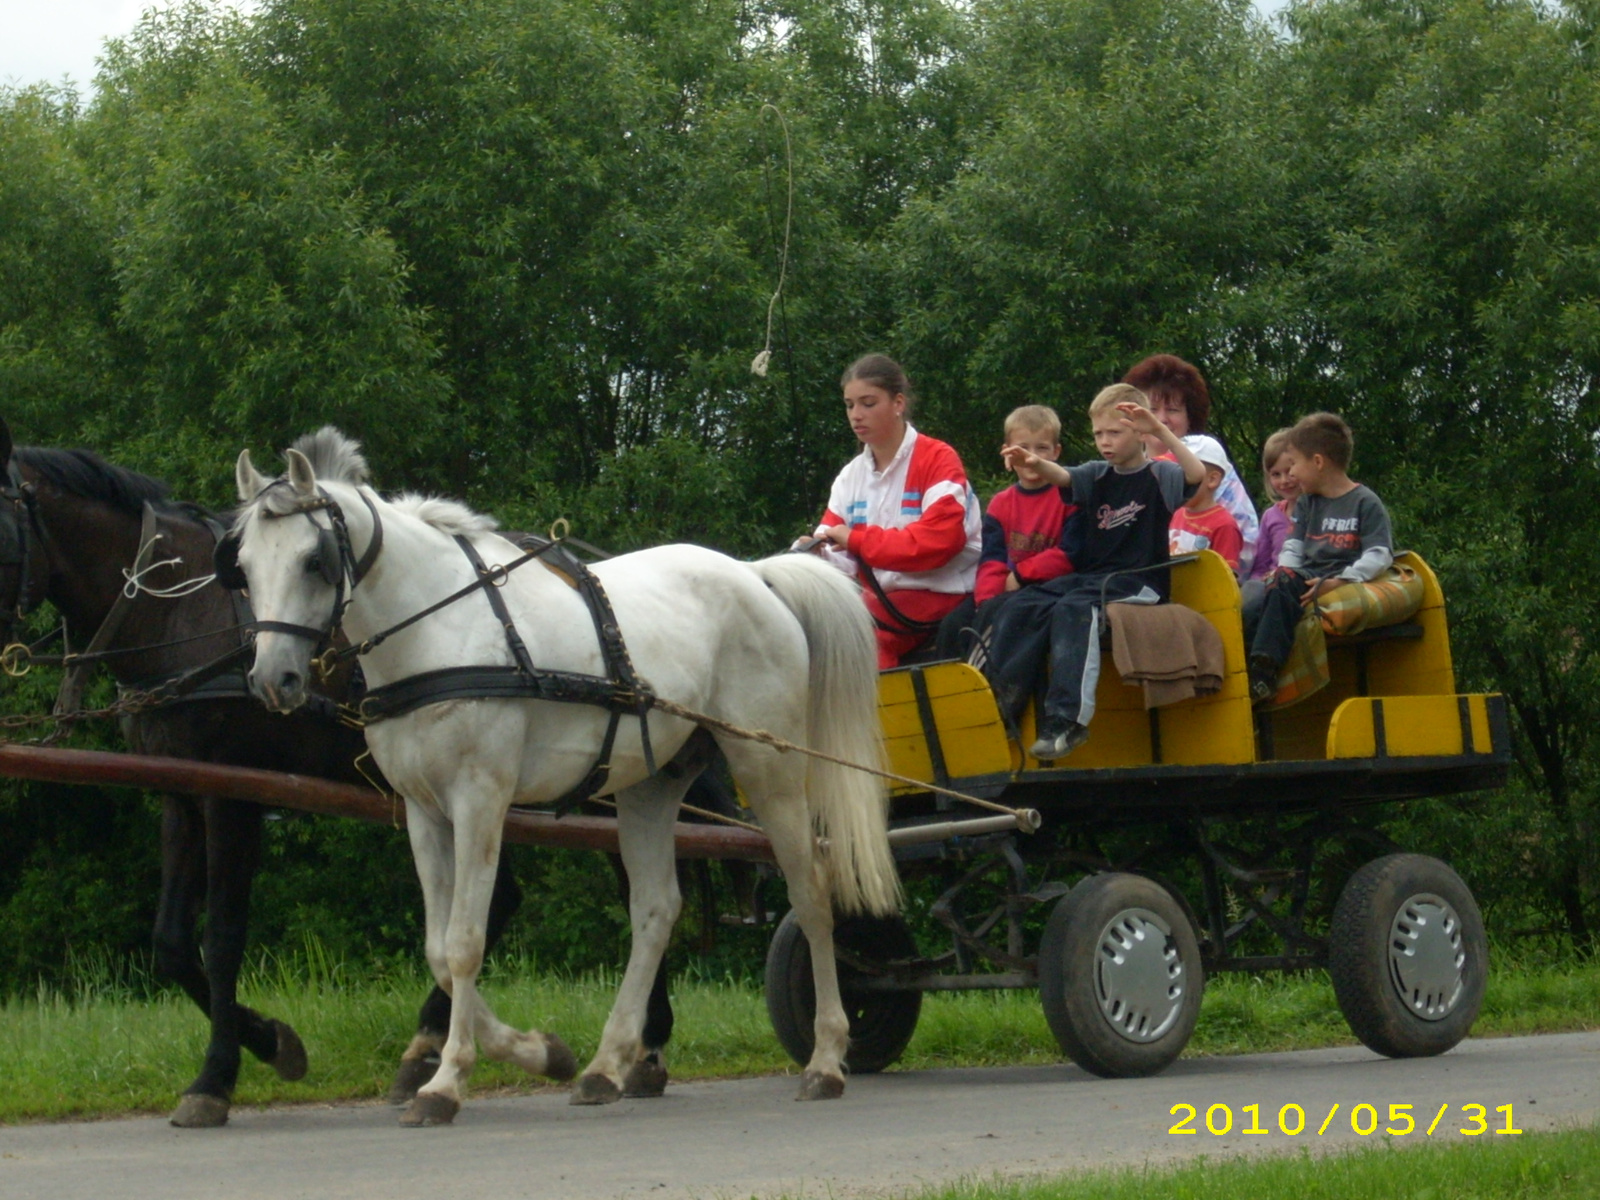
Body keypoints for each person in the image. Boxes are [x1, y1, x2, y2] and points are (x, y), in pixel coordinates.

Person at [983, 384, 1202, 761]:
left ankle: (1067, 721)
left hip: (1140, 580)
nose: (1105, 442)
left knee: (1076, 608)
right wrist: (1035, 463)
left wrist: (1160, 430)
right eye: (1098, 434)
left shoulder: (1160, 475)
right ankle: (1003, 708)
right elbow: (1062, 476)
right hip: (1094, 577)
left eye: (1114, 433)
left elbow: (1195, 474)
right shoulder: (1097, 474)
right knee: (1021, 602)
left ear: (1139, 431)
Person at [807, 353, 981, 669]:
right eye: (849, 405)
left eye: (868, 403)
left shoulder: (938, 459)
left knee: (859, 637)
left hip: (943, 594)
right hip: (882, 601)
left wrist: (854, 540)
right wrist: (814, 553)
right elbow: (836, 550)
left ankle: (877, 719)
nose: (856, 415)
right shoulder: (850, 476)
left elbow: (937, 544)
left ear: (898, 403)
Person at [1244, 413, 1393, 705]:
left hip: (1341, 576)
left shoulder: (1365, 502)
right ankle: (1247, 666)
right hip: (1304, 576)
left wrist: (1341, 581)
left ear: (1318, 462)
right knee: (1257, 597)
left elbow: (1380, 554)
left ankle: (1263, 672)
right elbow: (1294, 545)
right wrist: (1284, 570)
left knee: (1279, 588)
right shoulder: (1310, 502)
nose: (1293, 474)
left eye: (1295, 464)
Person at [1123, 354, 1259, 578]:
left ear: (1190, 417)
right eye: (1152, 410)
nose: (1161, 420)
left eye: (1173, 410)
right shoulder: (1125, 468)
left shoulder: (1213, 467)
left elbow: (1247, 546)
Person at [975, 405, 1083, 604]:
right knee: (955, 623)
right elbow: (992, 561)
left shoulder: (1070, 496)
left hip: (1054, 590)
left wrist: (1020, 575)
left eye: (1041, 448)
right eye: (1022, 448)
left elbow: (1071, 554)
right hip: (1007, 589)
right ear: (1007, 452)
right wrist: (985, 603)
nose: (1031, 457)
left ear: (1056, 452)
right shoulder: (1000, 504)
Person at [1167, 435, 1243, 571]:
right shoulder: (1175, 513)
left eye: (1185, 474)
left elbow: (1225, 579)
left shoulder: (1224, 525)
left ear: (1212, 479)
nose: (1176, 481)